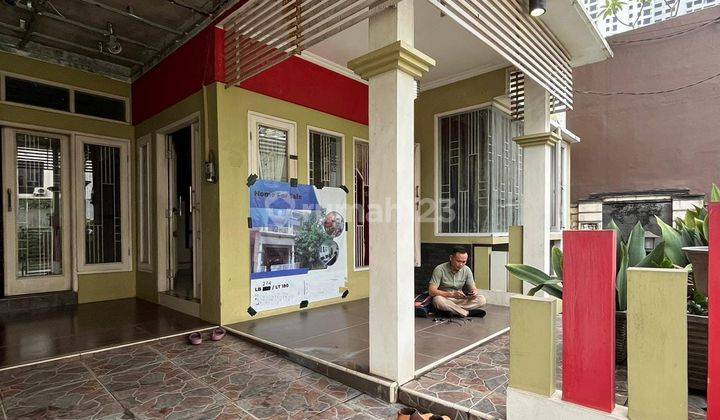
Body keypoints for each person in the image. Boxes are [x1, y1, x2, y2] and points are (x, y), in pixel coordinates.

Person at [428, 246, 486, 317]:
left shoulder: (467, 270)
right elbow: (431, 291)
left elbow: (473, 287)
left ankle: (451, 311)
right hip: (445, 298)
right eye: (458, 261)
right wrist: (451, 294)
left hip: (459, 299)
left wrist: (474, 292)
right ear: (451, 258)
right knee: (437, 300)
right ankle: (466, 313)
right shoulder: (439, 269)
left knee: (482, 300)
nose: (461, 264)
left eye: (464, 262)